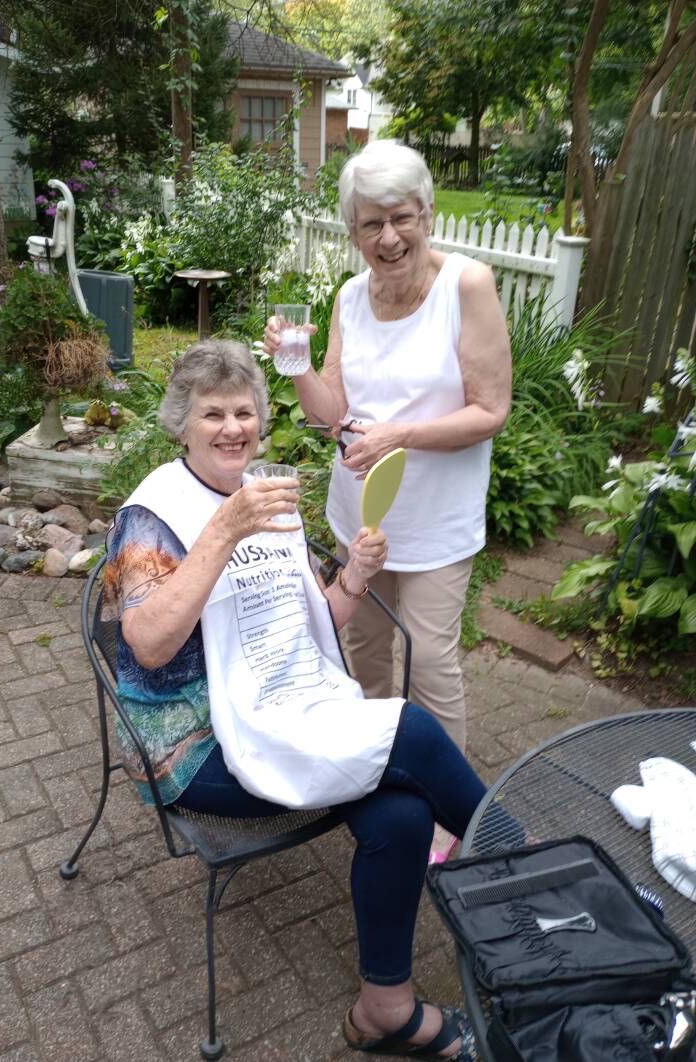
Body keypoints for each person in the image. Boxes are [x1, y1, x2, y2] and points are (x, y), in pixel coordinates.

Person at [103, 339, 487, 1059]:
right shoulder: (152, 515)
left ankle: (385, 1010)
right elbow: (148, 644)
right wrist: (225, 529)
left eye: (244, 411)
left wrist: (353, 581)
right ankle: (531, 871)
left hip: (286, 703)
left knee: (402, 813)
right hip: (191, 743)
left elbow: (308, 623)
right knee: (409, 731)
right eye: (212, 413)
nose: (232, 428)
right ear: (181, 424)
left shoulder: (270, 494)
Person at [263, 139, 511, 862]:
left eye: (401, 217)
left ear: (427, 213)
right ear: (354, 231)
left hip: (436, 523)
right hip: (361, 516)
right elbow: (331, 414)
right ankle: (378, 778)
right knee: (365, 652)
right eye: (371, 224)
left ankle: (452, 814)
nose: (389, 237)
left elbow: (490, 410)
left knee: (430, 663)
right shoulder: (349, 297)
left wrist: (399, 435)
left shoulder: (467, 285)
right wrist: (295, 363)